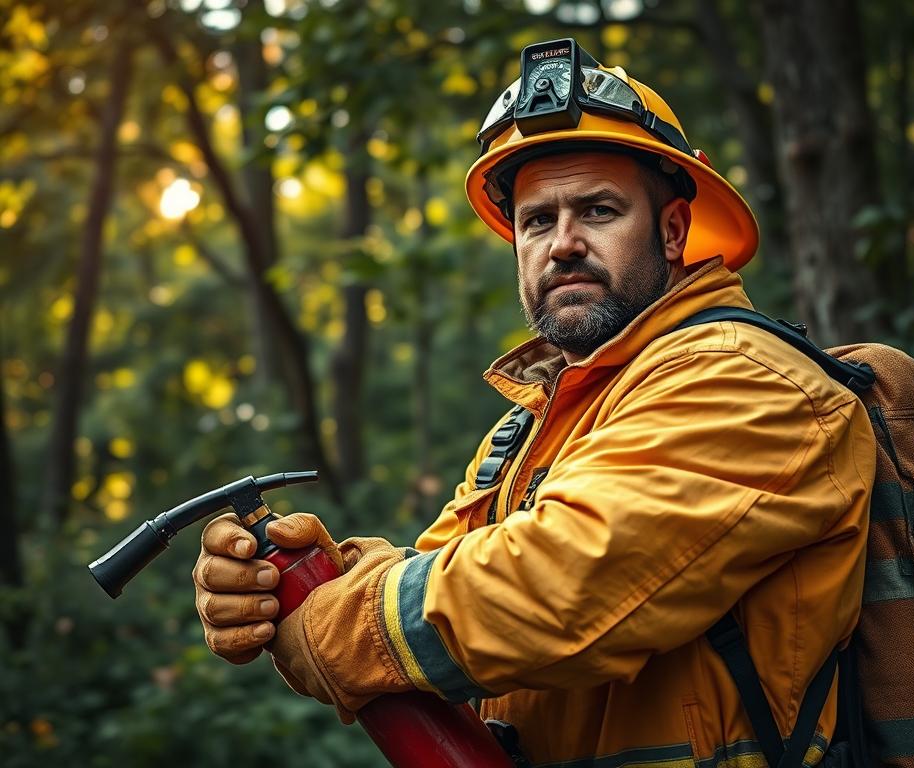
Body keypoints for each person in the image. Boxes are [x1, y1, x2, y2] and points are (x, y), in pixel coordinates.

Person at [192, 39, 875, 767]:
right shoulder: (533, 425)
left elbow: (561, 584)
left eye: (599, 210)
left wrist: (329, 626)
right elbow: (450, 578)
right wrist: (298, 581)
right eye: (537, 221)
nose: (563, 244)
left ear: (673, 231)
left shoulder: (747, 379)